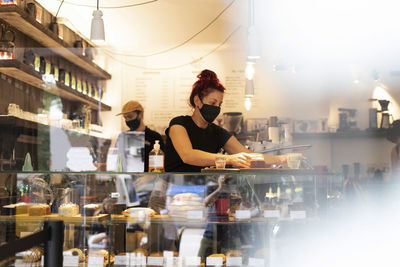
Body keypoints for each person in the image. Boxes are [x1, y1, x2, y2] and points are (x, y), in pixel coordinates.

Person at [164, 69, 285, 172]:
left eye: (219, 104)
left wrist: (283, 159)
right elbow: (188, 155)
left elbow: (249, 156)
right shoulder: (179, 124)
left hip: (201, 192)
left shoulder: (217, 132)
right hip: (170, 191)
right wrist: (228, 159)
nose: (216, 108)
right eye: (212, 103)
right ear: (197, 101)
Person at [116, 100, 165, 172]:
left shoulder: (155, 137)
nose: (127, 120)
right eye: (125, 118)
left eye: (130, 117)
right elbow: (118, 161)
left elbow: (161, 164)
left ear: (140, 115)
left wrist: (150, 177)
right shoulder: (122, 137)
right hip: (127, 179)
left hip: (149, 181)